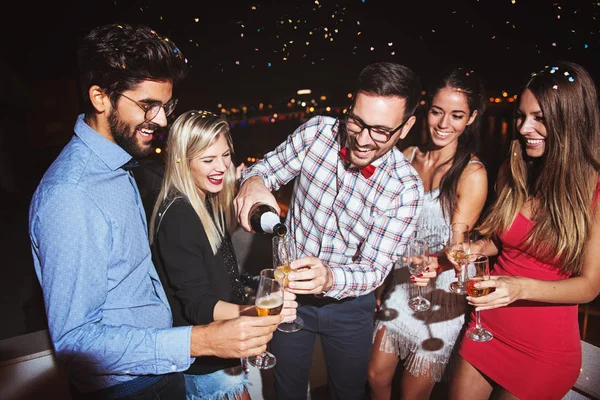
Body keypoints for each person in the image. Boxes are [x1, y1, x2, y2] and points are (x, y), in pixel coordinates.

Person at [28, 23, 281, 399]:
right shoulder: (72, 194)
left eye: (166, 106)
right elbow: (74, 342)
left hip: (159, 374)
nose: (162, 120)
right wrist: (199, 341)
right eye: (148, 105)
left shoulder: (117, 166)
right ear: (100, 97)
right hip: (127, 387)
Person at [234, 61, 436, 400]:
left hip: (350, 307)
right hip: (289, 295)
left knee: (348, 391)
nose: (362, 139)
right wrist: (253, 181)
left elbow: (375, 268)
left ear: (406, 126)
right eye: (356, 121)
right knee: (286, 389)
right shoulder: (317, 132)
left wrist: (328, 278)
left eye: (381, 131)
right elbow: (266, 170)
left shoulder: (406, 189)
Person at [449, 61, 600, 400]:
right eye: (520, 116)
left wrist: (519, 287)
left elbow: (590, 286)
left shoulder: (595, 191)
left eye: (540, 118)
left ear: (571, 121)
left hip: (543, 351)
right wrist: (477, 249)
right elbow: (505, 241)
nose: (524, 128)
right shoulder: (512, 168)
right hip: (486, 330)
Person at [148, 110, 296, 400]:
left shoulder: (203, 200)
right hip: (207, 367)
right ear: (181, 159)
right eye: (208, 159)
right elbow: (198, 306)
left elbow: (214, 260)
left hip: (221, 356)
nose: (221, 167)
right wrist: (261, 313)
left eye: (225, 155)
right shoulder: (179, 216)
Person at [368, 68, 488, 400]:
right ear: (425, 110)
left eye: (457, 115)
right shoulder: (407, 158)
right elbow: (388, 227)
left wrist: (434, 263)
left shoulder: (472, 173)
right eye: (437, 111)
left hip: (442, 296)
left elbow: (458, 247)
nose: (443, 123)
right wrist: (383, 279)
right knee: (375, 376)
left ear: (471, 119)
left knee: (411, 395)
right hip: (403, 287)